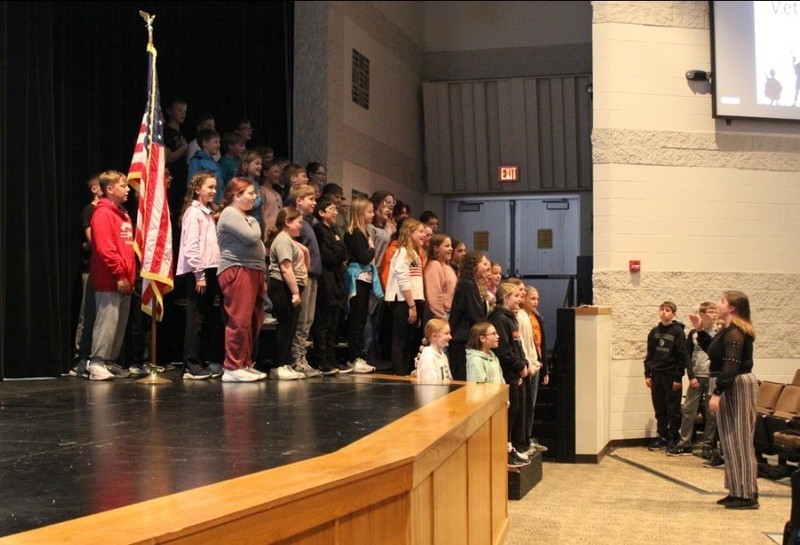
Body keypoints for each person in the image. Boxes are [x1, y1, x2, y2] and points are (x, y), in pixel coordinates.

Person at [690, 291, 758, 509]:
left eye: (722, 302)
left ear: (732, 308)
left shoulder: (737, 332)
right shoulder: (726, 331)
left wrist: (718, 393)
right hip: (728, 383)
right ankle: (736, 490)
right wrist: (700, 330)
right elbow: (714, 351)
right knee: (728, 440)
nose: (719, 305)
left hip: (736, 385)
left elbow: (731, 365)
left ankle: (747, 494)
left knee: (740, 440)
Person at [216, 178, 268, 383]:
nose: (255, 197)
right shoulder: (230, 214)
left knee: (253, 320)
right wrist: (255, 223)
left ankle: (245, 363)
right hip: (237, 269)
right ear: (237, 195)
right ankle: (232, 366)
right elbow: (252, 237)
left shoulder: (245, 216)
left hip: (253, 270)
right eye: (250, 193)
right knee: (239, 319)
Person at [87, 170, 136, 381]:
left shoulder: (123, 214)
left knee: (118, 323)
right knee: (107, 321)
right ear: (109, 189)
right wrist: (119, 275)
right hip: (110, 280)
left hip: (125, 279)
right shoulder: (103, 214)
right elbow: (106, 250)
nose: (127, 189)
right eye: (123, 186)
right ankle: (97, 361)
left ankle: (109, 361)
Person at [176, 172, 221, 380]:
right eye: (209, 187)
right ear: (197, 189)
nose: (213, 191)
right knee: (195, 318)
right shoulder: (193, 213)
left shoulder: (206, 213)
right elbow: (191, 246)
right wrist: (199, 274)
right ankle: (190, 363)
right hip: (199, 271)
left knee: (205, 317)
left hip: (210, 269)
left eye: (214, 187)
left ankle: (200, 360)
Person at [668, 301, 719, 457]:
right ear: (702, 315)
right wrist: (691, 376)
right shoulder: (693, 333)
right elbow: (687, 356)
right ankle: (685, 443)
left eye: (715, 311)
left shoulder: (718, 332)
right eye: (710, 311)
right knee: (688, 410)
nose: (714, 314)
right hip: (697, 376)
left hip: (712, 377)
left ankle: (708, 444)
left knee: (711, 413)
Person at [489, 282, 531, 465]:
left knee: (515, 411)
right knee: (509, 412)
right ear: (506, 298)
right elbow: (504, 349)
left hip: (515, 373)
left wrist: (524, 363)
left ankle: (510, 447)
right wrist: (518, 366)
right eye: (515, 296)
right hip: (507, 374)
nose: (520, 301)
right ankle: (503, 451)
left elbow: (518, 344)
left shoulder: (511, 318)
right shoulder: (499, 318)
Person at [266, 207, 309, 380]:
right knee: (285, 327)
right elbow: (286, 269)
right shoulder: (283, 241)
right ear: (287, 222)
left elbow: (305, 264)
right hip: (282, 287)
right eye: (299, 222)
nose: (301, 226)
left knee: (290, 327)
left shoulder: (290, 241)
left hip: (289, 287)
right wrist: (295, 293)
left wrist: (304, 250)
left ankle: (285, 363)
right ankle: (278, 365)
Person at [309, 196, 348, 375]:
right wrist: (338, 247)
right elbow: (329, 256)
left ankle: (331, 358)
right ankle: (321, 359)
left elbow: (343, 255)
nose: (335, 212)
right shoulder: (319, 230)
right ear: (322, 212)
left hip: (337, 279)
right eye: (332, 209)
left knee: (334, 322)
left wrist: (338, 247)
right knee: (323, 322)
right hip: (326, 280)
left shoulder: (334, 230)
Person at [287, 183, 323, 378]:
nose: (314, 203)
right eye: (311, 199)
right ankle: (295, 359)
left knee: (308, 321)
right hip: (303, 276)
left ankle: (302, 357)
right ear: (299, 201)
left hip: (313, 275)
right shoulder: (296, 222)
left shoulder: (308, 222)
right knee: (301, 321)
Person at [644, 301, 689, 451]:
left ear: (673, 314)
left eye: (668, 310)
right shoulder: (654, 332)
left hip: (671, 374)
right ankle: (661, 436)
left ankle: (672, 438)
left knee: (673, 408)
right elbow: (649, 354)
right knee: (659, 408)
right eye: (662, 309)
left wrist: (678, 377)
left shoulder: (678, 332)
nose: (664, 312)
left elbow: (682, 356)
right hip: (656, 374)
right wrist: (647, 374)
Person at [343, 197, 381, 373]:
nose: (373, 215)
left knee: (361, 318)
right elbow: (364, 257)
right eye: (370, 211)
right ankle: (353, 357)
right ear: (360, 213)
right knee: (356, 319)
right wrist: (372, 249)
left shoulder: (364, 233)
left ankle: (359, 355)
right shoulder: (355, 233)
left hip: (365, 279)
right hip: (357, 278)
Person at [384, 218, 426, 376]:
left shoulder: (414, 252)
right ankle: (400, 373)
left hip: (413, 300)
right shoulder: (402, 252)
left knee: (409, 339)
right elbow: (403, 279)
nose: (423, 234)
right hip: (403, 301)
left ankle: (406, 371)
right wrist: (411, 305)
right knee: (400, 339)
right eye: (420, 231)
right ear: (409, 232)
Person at [69, 174, 101, 378]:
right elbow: (94, 239)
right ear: (94, 189)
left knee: (101, 315)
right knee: (87, 313)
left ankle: (97, 358)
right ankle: (80, 359)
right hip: (90, 269)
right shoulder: (90, 210)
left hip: (103, 270)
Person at [448, 251, 491, 381]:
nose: (487, 268)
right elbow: (476, 315)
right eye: (484, 264)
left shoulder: (471, 284)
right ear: (474, 266)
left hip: (465, 341)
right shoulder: (467, 285)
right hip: (462, 341)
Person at [522, 284, 550, 453]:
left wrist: (545, 368)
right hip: (527, 364)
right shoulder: (521, 318)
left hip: (537, 363)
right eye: (532, 298)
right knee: (526, 405)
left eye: (537, 298)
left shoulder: (537, 318)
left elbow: (541, 344)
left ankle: (528, 435)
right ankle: (523, 439)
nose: (536, 302)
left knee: (531, 405)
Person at [423, 233, 457, 321]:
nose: (451, 249)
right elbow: (434, 294)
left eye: (451, 246)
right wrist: (441, 316)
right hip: (440, 316)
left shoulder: (447, 266)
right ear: (436, 248)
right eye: (447, 246)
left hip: (449, 313)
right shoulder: (434, 265)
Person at [164, 98, 189, 214]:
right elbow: (168, 158)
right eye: (179, 110)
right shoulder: (166, 132)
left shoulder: (181, 133)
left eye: (184, 111)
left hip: (181, 181)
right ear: (170, 111)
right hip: (171, 181)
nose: (183, 114)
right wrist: (182, 148)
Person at [414, 318, 453, 383]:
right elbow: (430, 386)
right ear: (434, 336)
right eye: (446, 333)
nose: (450, 337)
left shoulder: (443, 356)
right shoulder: (428, 357)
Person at [237, 150, 265, 234]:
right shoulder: (240, 183)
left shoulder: (256, 183)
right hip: (248, 223)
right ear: (246, 165)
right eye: (257, 163)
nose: (260, 166)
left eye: (261, 164)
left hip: (258, 222)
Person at [218, 132, 247, 200]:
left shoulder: (240, 161)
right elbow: (221, 183)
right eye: (241, 146)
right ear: (231, 146)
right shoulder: (224, 162)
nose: (244, 148)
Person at [259, 159, 284, 237]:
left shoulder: (277, 194)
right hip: (267, 232)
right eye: (275, 172)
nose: (278, 175)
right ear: (266, 173)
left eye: (279, 172)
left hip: (278, 231)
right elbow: (261, 213)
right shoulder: (261, 191)